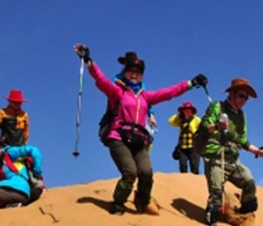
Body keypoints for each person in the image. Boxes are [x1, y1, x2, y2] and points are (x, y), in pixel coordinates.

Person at [74, 43, 207, 215]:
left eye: (138, 72)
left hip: (138, 140)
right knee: (130, 172)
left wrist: (191, 83)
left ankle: (143, 201)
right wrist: (88, 61)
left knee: (146, 172)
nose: (135, 74)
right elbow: (101, 80)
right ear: (125, 72)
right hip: (118, 138)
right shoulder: (118, 92)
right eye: (131, 71)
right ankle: (118, 204)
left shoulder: (146, 97)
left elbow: (169, 92)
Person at [201, 77, 263, 226]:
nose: (244, 100)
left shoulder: (242, 116)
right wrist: (216, 127)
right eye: (241, 95)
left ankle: (243, 215)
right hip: (216, 158)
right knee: (217, 194)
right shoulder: (216, 107)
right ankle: (211, 218)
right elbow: (204, 127)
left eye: (246, 98)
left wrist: (257, 151)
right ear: (231, 93)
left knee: (249, 182)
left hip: (233, 160)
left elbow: (243, 140)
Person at [0, 135, 43, 216]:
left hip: (19, 190)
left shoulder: (10, 152)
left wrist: (37, 172)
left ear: (1, 146)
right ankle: (12, 204)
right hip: (15, 194)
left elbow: (34, 150)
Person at [168, 101, 200, 175]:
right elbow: (170, 121)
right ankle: (184, 182)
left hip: (194, 147)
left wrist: (194, 130)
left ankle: (195, 184)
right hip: (182, 148)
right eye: (185, 110)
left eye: (189, 109)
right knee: (183, 166)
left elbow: (202, 130)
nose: (187, 111)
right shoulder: (180, 120)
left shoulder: (196, 119)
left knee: (195, 168)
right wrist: (179, 115)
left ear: (192, 111)